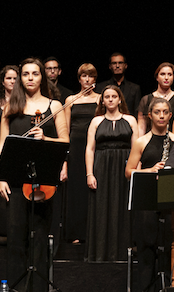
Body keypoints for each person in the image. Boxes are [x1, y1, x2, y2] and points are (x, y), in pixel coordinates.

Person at [0, 58, 69, 292]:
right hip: (16, 178)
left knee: (40, 236)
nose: (30, 78)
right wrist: (1, 176)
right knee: (16, 234)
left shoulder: (54, 106)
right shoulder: (11, 106)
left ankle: (38, 287)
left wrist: (46, 139)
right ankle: (15, 287)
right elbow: (2, 144)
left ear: (42, 77)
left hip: (43, 180)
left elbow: (65, 142)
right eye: (25, 74)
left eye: (35, 74)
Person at [126, 97, 174, 292]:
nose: (161, 116)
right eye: (157, 112)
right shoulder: (142, 142)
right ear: (150, 115)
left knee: (170, 247)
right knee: (147, 248)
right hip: (147, 199)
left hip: (171, 199)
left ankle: (170, 286)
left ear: (170, 115)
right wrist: (150, 171)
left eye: (165, 112)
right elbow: (128, 172)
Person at [85, 85, 137, 262]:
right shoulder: (96, 121)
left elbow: (136, 148)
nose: (110, 99)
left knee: (122, 207)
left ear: (120, 99)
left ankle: (122, 253)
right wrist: (89, 174)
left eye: (114, 96)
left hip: (124, 166)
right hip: (102, 166)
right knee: (101, 207)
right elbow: (90, 149)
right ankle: (99, 253)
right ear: (103, 101)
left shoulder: (130, 120)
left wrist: (135, 170)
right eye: (107, 97)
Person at [63, 63, 101, 244]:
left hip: (95, 146)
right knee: (76, 191)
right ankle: (75, 233)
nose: (87, 79)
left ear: (95, 79)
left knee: (93, 189)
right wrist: (64, 160)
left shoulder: (101, 99)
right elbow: (66, 130)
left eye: (91, 76)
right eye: (84, 76)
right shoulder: (70, 99)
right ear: (79, 79)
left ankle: (92, 232)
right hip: (76, 148)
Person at [136, 62, 174, 137]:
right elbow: (141, 126)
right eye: (162, 74)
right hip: (151, 140)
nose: (166, 77)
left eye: (170, 74)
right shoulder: (146, 99)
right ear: (157, 77)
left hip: (173, 140)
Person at [96, 53, 141, 118]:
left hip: (128, 124)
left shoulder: (134, 88)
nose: (117, 66)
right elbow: (99, 109)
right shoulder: (101, 87)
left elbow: (137, 112)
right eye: (114, 63)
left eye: (120, 63)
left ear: (125, 65)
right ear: (110, 66)